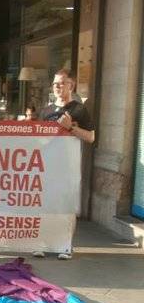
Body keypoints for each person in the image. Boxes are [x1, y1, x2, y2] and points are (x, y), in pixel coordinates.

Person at [34, 68, 95, 261]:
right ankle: (42, 243)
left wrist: (70, 128)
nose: (57, 87)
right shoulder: (46, 110)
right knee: (45, 205)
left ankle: (65, 245)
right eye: (54, 83)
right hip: (47, 164)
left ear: (71, 85)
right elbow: (37, 138)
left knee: (66, 207)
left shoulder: (79, 109)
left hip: (69, 165)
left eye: (61, 83)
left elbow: (91, 137)